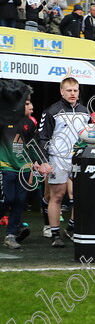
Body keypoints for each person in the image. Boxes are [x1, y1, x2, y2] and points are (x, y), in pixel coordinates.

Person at [37, 77, 89, 248]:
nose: (73, 93)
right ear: (61, 91)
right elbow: (42, 137)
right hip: (57, 159)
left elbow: (90, 136)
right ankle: (55, 234)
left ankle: (72, 229)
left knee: (80, 196)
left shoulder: (85, 111)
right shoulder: (51, 111)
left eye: (75, 90)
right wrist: (44, 161)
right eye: (69, 90)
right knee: (57, 196)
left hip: (79, 158)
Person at [0, 93, 38, 249]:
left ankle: (11, 235)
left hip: (24, 169)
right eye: (26, 103)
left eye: (29, 103)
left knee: (20, 202)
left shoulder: (30, 123)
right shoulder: (3, 119)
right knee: (8, 198)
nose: (30, 106)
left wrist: (38, 164)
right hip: (6, 166)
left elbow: (31, 146)